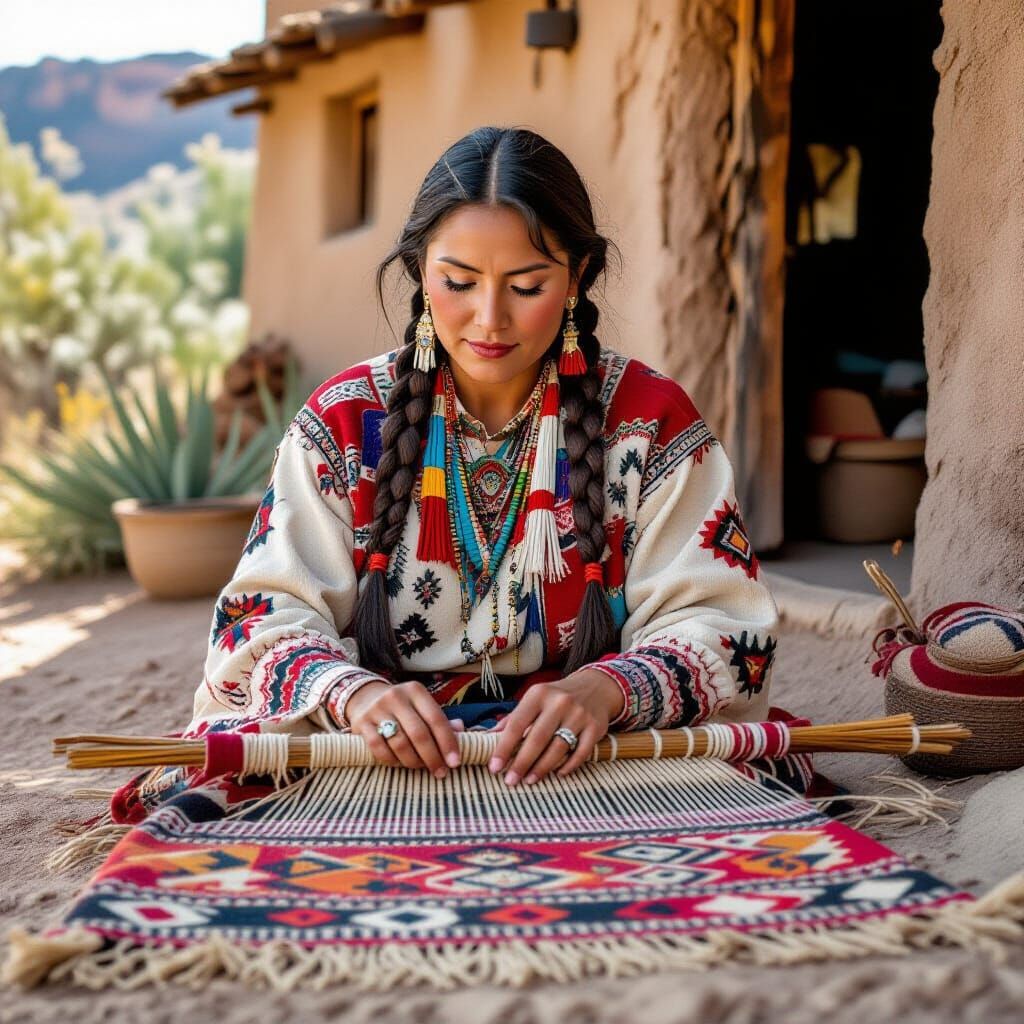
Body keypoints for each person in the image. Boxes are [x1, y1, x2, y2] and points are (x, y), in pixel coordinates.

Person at [111, 125, 795, 824]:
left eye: (527, 285)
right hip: (385, 754)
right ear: (419, 270)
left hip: (579, 747)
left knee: (738, 758)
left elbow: (723, 622)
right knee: (235, 762)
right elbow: (257, 621)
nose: (489, 319)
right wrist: (353, 695)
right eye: (458, 282)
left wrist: (606, 689)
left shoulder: (650, 421)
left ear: (578, 276)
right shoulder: (348, 422)